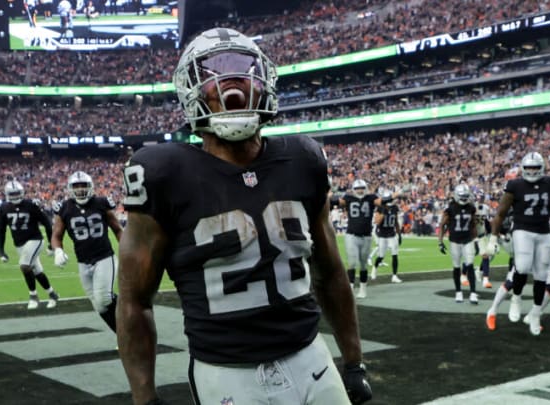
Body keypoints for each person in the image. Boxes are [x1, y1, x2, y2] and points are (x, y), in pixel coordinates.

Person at [116, 28, 371, 405]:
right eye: (214, 71)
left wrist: (353, 363)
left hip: (311, 357)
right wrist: (144, 397)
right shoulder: (162, 171)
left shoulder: (302, 159)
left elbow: (330, 271)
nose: (230, 81)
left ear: (264, 80)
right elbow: (134, 301)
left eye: (242, 68)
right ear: (192, 89)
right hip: (226, 372)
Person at [484, 151, 550, 335]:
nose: (533, 171)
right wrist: (493, 239)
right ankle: (508, 303)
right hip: (523, 232)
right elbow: (501, 213)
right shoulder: (515, 185)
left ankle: (535, 313)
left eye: (536, 167)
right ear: (523, 168)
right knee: (521, 268)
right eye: (529, 168)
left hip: (543, 232)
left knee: (544, 278)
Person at [51, 171, 123, 332]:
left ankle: (130, 312)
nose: (80, 189)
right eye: (76, 186)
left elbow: (117, 229)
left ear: (91, 186)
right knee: (99, 306)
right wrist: (58, 251)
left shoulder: (101, 203)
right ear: (70, 188)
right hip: (83, 262)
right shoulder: (65, 208)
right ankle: (122, 334)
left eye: (83, 185)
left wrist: (126, 251)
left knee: (104, 299)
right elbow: (56, 235)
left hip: (104, 257)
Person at [0, 179, 60, 310]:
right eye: (12, 194)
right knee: (37, 271)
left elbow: (47, 223)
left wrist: (50, 243)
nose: (15, 196)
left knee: (24, 266)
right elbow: (1, 229)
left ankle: (33, 296)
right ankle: (52, 294)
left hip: (35, 240)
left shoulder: (31, 205)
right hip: (19, 244)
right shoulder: (4, 208)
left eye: (17, 193)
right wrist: (1, 250)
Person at [335, 179, 380, 298]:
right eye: (357, 188)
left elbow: (380, 202)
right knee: (352, 263)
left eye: (362, 188)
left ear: (365, 188)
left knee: (364, 264)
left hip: (366, 236)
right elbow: (337, 202)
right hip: (352, 235)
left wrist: (392, 196)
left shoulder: (371, 198)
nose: (359, 190)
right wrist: (329, 197)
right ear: (353, 190)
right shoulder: (348, 198)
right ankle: (350, 290)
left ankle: (363, 289)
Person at [438, 183, 479, 304]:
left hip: (467, 239)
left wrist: (476, 240)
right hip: (454, 241)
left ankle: (472, 293)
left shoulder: (471, 207)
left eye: (466, 195)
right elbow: (442, 225)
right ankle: (458, 292)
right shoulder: (450, 209)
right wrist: (440, 242)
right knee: (456, 266)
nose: (464, 198)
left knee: (470, 264)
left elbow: (474, 225)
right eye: (462, 196)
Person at [371, 189, 402, 283]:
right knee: (381, 256)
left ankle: (394, 275)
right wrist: (384, 213)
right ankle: (374, 268)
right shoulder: (380, 208)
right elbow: (377, 222)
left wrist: (399, 234)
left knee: (395, 254)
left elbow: (396, 222)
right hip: (382, 235)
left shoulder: (395, 208)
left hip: (392, 234)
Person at [473, 202, 493, 289]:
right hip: (472, 238)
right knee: (471, 256)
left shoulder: (484, 217)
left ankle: (485, 279)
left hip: (481, 237)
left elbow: (486, 224)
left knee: (486, 256)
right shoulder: (471, 215)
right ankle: (463, 274)